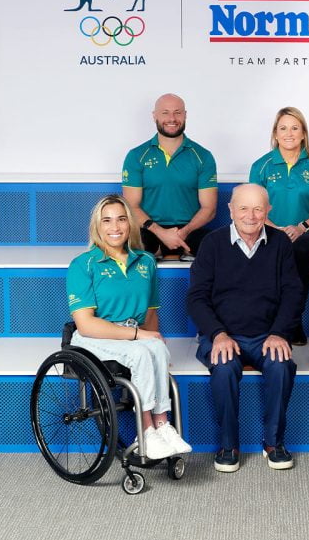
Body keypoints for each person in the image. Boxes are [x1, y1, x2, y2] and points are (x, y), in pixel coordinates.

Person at [65, 194, 192, 460]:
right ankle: (146, 430)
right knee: (140, 353)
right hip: (95, 336)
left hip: (133, 332)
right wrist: (139, 336)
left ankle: (162, 425)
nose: (115, 227)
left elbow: (151, 317)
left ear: (130, 224)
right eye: (107, 221)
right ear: (97, 227)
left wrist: (159, 352)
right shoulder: (83, 264)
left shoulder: (145, 262)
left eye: (121, 219)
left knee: (154, 348)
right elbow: (86, 324)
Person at [186, 183, 302, 472]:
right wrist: (218, 334)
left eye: (258, 208)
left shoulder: (280, 243)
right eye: (243, 208)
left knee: (281, 364)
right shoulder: (212, 244)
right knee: (224, 367)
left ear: (268, 211)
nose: (251, 215)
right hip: (223, 333)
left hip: (266, 334)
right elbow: (197, 297)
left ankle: (273, 442)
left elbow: (292, 293)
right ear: (230, 210)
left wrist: (279, 332)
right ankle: (228, 444)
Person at [249, 106, 309, 345]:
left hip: (305, 232)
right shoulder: (261, 166)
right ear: (275, 133)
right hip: (266, 229)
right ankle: (265, 322)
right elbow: (253, 206)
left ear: (304, 133)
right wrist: (274, 228)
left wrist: (300, 227)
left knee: (300, 250)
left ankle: (292, 323)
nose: (289, 133)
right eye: (283, 128)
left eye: (295, 128)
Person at [122, 93, 217, 261]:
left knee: (216, 246)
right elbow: (131, 206)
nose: (172, 118)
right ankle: (159, 250)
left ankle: (182, 249)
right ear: (154, 116)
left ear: (185, 115)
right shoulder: (136, 156)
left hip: (189, 230)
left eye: (177, 112)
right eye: (165, 112)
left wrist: (183, 233)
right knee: (134, 244)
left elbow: (209, 209)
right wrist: (162, 233)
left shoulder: (203, 156)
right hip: (150, 230)